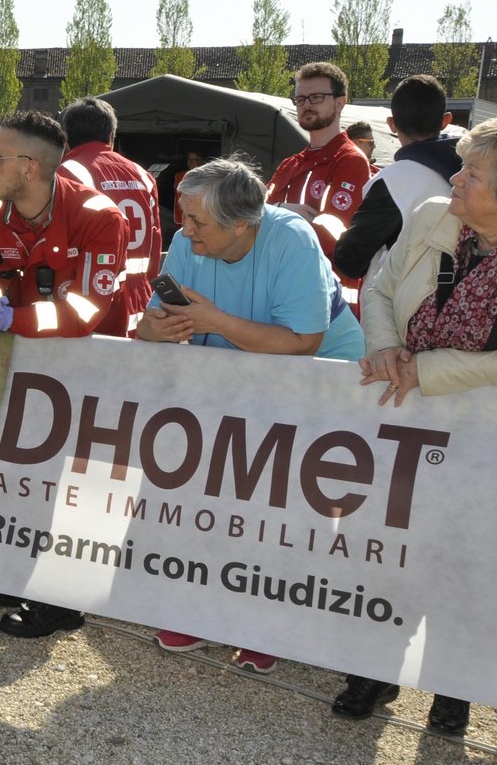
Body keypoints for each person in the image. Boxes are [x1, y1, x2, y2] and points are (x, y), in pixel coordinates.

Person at [335, 113, 497, 734]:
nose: (455, 179)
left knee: (463, 562)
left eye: (473, 173)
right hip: (401, 421)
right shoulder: (431, 214)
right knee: (382, 551)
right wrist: (386, 348)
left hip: (492, 439)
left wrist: (431, 370)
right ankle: (373, 670)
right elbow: (377, 286)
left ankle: (454, 687)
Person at [138, 158, 366, 674]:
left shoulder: (291, 238)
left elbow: (303, 342)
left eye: (198, 222)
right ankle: (203, 613)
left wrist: (213, 320)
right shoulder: (188, 241)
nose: (184, 229)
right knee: (216, 499)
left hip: (317, 384)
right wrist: (156, 330)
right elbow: (154, 324)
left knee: (291, 513)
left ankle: (273, 626)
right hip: (232, 381)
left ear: (242, 223)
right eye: (184, 217)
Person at [0, 110, 128, 639]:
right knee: (26, 475)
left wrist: (13, 317)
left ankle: (63, 601)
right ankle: (19, 571)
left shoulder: (99, 217)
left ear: (29, 167)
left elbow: (84, 313)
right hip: (30, 370)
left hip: (94, 373)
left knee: (79, 489)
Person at [333, 74, 460, 290]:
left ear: (391, 124)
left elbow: (350, 260)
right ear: (446, 120)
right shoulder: (470, 174)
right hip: (457, 303)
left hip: (400, 307)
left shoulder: (392, 182)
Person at [266, 62, 372, 296]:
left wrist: (273, 215)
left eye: (316, 97)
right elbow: (253, 216)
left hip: (325, 294)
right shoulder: (289, 165)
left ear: (340, 102)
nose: (306, 105)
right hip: (280, 288)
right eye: (300, 99)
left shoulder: (350, 161)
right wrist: (285, 209)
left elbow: (332, 234)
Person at [60, 96, 162, 336]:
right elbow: (155, 246)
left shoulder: (66, 173)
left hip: (95, 299)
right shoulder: (143, 175)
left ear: (66, 137)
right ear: (112, 135)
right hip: (141, 300)